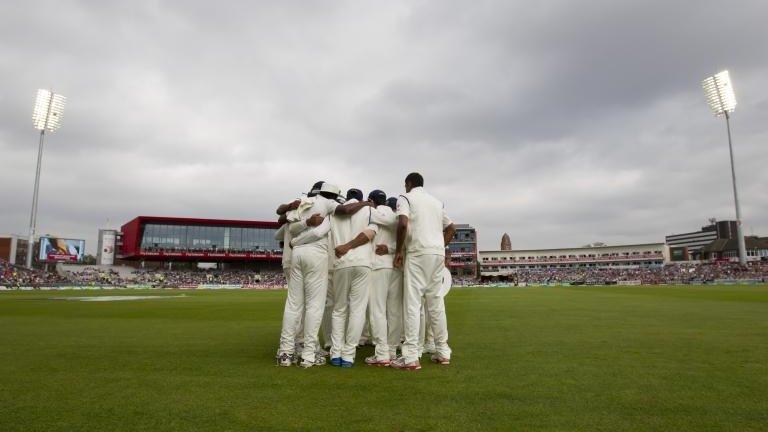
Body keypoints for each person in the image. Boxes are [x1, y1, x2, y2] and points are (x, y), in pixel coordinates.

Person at [275, 182, 371, 368]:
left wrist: (298, 238)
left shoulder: (301, 201)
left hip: (297, 256)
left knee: (293, 305)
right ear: (331, 196)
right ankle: (309, 355)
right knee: (315, 306)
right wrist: (364, 204)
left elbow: (290, 226)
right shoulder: (327, 204)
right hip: (316, 256)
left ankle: (285, 352)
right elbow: (345, 210)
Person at [392, 172, 456, 370]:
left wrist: (399, 251)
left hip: (417, 252)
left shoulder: (406, 198)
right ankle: (443, 352)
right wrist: (439, 245)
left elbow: (403, 223)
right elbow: (451, 227)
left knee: (412, 303)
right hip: (437, 254)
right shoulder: (436, 202)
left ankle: (410, 356)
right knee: (436, 303)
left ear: (408, 184)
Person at [329, 188, 378, 367]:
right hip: (363, 262)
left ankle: (336, 353)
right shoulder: (370, 210)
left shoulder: (335, 211)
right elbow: (369, 234)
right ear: (361, 198)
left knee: (339, 309)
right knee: (357, 310)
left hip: (341, 263)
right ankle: (348, 355)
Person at [365, 189, 403, 365]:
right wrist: (393, 248)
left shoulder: (371, 213)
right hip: (395, 266)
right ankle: (392, 351)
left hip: (378, 265)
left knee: (377, 310)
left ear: (371, 201)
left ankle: (381, 354)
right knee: (394, 310)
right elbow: (407, 235)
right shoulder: (397, 216)